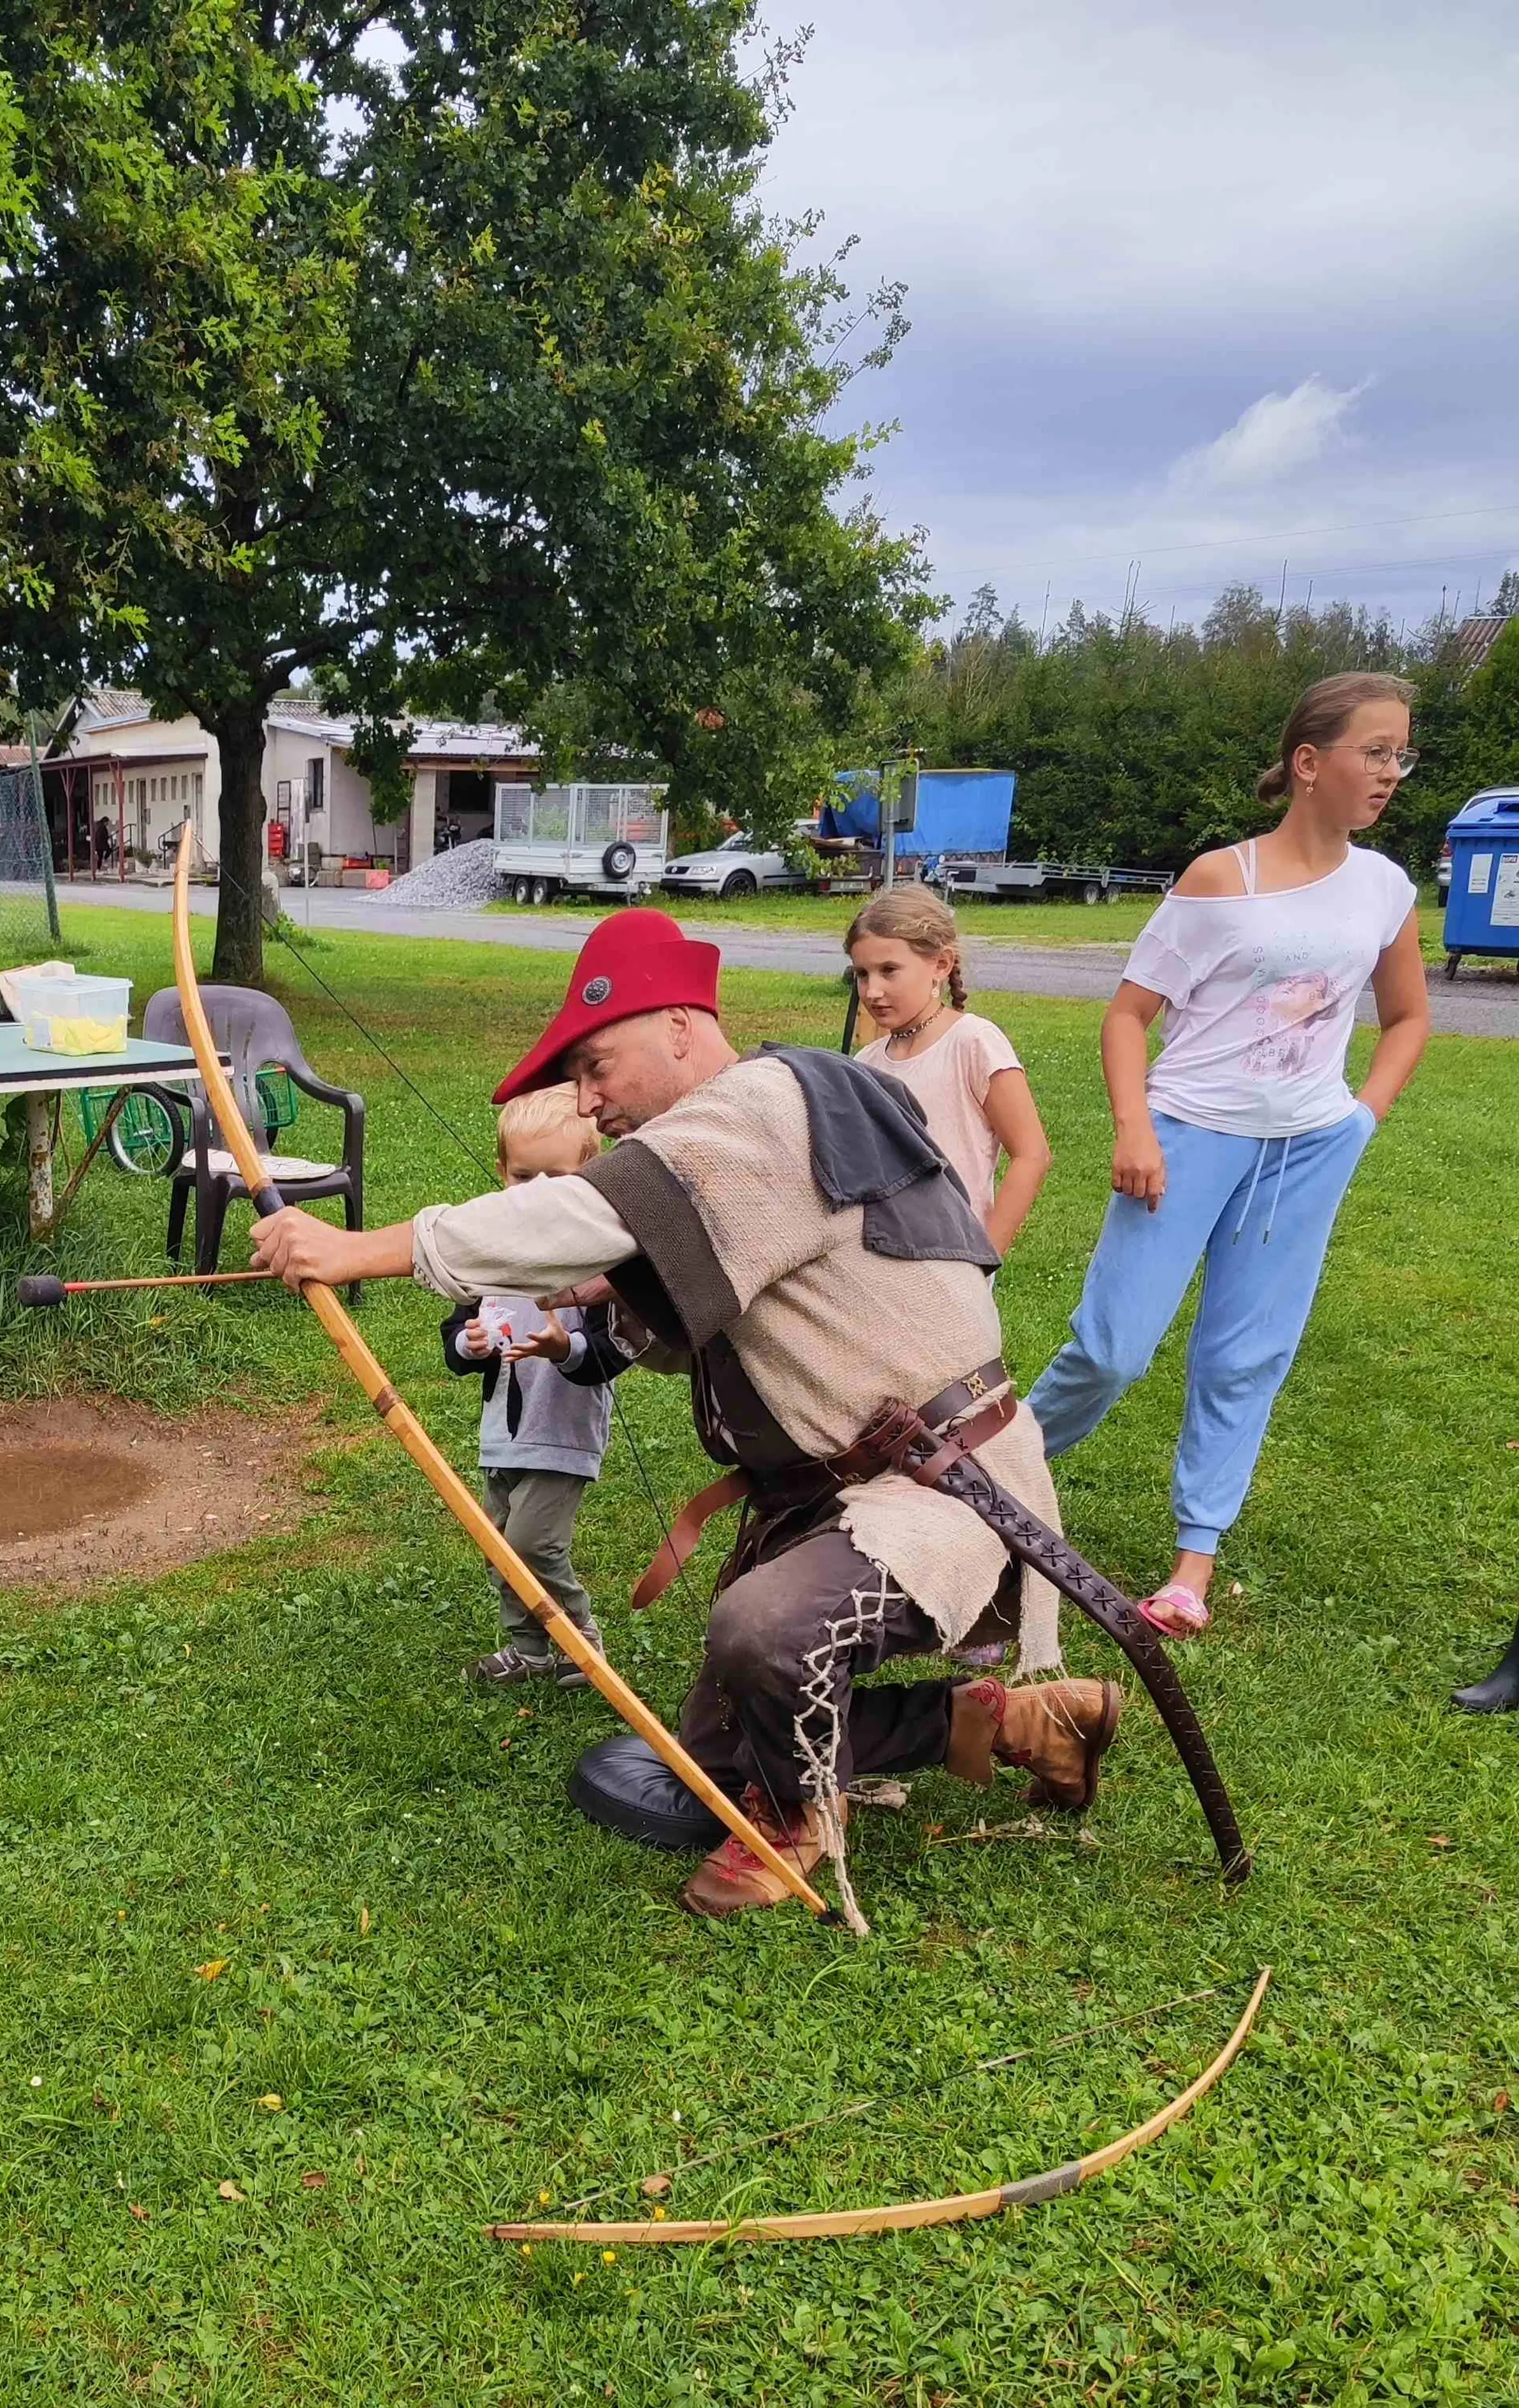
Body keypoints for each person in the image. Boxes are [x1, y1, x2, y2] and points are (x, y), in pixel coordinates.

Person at [249, 910, 1120, 1923]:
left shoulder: (756, 1105)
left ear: (674, 1028)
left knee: (763, 1634)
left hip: (939, 1487)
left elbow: (589, 1213)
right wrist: (584, 1299)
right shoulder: (749, 1123)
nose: (588, 1099)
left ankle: (801, 1822)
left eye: (597, 1065)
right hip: (854, 1488)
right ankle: (1011, 1726)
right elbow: (675, 1291)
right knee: (713, 1753)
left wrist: (359, 1249)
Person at [1026, 673, 1430, 1637]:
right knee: (1115, 1346)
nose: (1391, 773)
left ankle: (1192, 1563)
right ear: (1308, 763)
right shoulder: (1221, 879)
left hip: (1306, 1149)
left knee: (1247, 1355)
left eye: (1400, 755)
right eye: (1374, 752)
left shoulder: (1384, 887)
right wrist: (1134, 1126)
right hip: (1188, 1137)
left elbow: (1410, 1016)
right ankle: (982, 1475)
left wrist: (1361, 1116)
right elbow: (1130, 1018)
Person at [439, 1086, 632, 1686]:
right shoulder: (493, 1251)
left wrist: (563, 1345)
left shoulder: (594, 1258)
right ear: (502, 1172)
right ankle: (530, 1651)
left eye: (558, 1175)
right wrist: (466, 1345)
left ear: (589, 1172)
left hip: (563, 1433)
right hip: (504, 1432)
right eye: (524, 1176)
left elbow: (611, 1352)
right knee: (503, 1548)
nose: (539, 1191)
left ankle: (581, 1644)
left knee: (532, 1542)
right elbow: (458, 1332)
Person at [845, 890, 1052, 1251]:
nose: (872, 991)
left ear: (941, 965)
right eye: (862, 974)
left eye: (889, 971)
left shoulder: (973, 1043)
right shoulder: (866, 1062)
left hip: (954, 1261)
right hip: (882, 1263)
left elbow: (1031, 1154)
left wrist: (985, 1254)